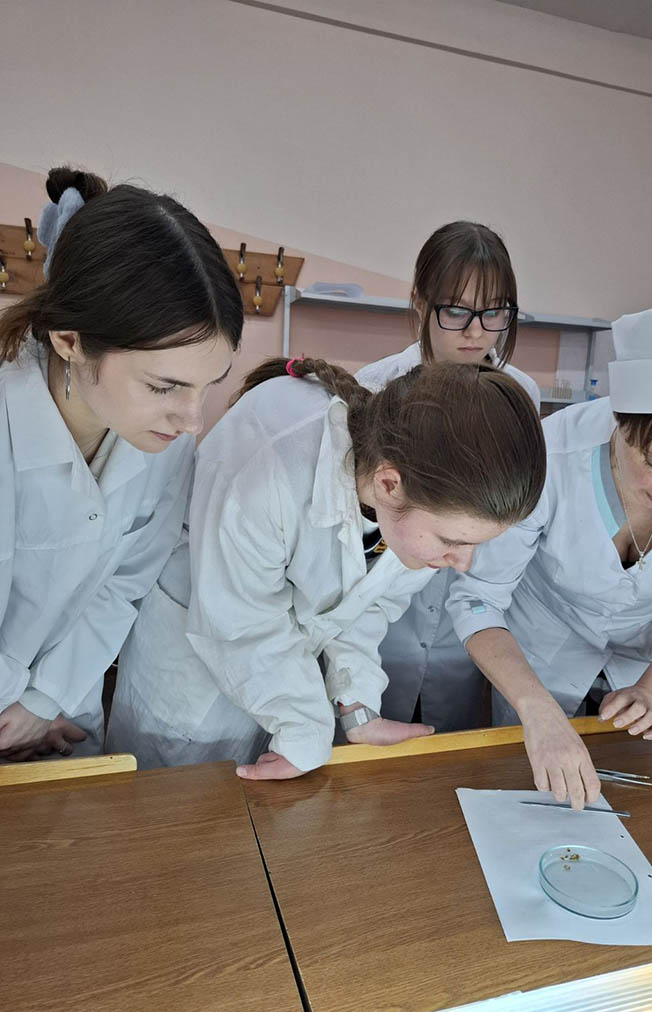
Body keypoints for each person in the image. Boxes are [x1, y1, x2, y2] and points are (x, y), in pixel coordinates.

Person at [106, 358, 546, 777]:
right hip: (193, 679)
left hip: (276, 673)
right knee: (171, 808)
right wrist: (305, 730)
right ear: (389, 483)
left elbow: (366, 603)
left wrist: (358, 705)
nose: (463, 563)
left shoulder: (411, 490)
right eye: (452, 541)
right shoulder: (272, 467)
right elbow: (241, 624)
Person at [447, 307, 652, 809]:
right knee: (529, 788)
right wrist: (535, 708)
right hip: (541, 647)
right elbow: (478, 597)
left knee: (646, 797)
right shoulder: (550, 455)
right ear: (621, 421)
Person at [0, 166, 242, 760]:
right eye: (164, 386)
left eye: (207, 385)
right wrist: (13, 711)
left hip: (62, 710)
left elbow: (127, 581)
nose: (193, 420)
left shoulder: (164, 438)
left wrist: (43, 701)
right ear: (70, 341)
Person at [355, 221, 540, 731]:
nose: (476, 332)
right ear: (420, 302)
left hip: (468, 618)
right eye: (456, 311)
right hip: (379, 620)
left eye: (494, 312)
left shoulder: (520, 396)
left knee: (449, 750)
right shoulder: (374, 389)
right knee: (365, 743)